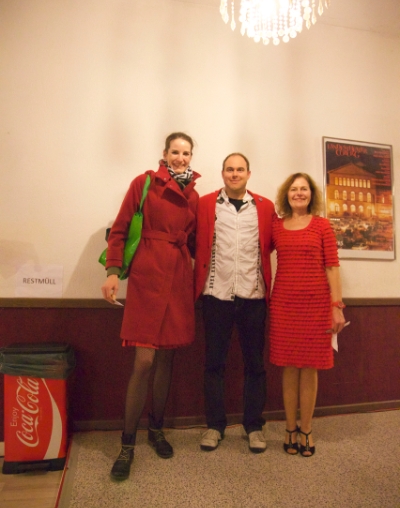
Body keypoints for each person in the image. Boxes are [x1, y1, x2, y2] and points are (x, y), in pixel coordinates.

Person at [101, 132, 200, 480]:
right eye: (175, 151)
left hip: (177, 278)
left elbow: (195, 241)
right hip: (147, 277)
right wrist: (113, 272)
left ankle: (156, 430)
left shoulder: (194, 195)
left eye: (186, 153)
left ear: (191, 157)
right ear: (165, 153)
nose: (180, 158)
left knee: (166, 360)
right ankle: (127, 444)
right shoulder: (143, 183)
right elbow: (120, 230)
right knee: (144, 361)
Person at [194, 153, 275, 453]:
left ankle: (253, 426)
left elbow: (274, 243)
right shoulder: (206, 204)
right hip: (216, 295)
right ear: (223, 173)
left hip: (254, 297)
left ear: (248, 174)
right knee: (214, 363)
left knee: (255, 365)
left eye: (240, 169)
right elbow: (193, 241)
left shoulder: (265, 206)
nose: (235, 174)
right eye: (230, 169)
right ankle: (215, 426)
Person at [269, 172, 346, 457]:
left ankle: (306, 429)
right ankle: (290, 428)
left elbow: (332, 267)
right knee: (289, 367)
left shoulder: (322, 226)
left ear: (311, 194)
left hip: (316, 305)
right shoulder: (276, 227)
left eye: (303, 189)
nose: (299, 193)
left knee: (309, 368)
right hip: (284, 305)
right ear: (286, 194)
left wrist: (336, 306)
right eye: (294, 189)